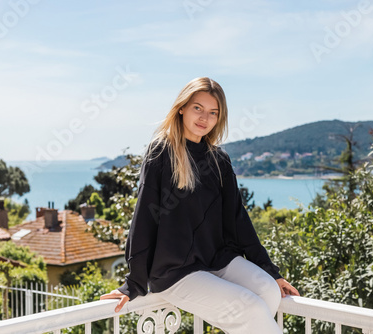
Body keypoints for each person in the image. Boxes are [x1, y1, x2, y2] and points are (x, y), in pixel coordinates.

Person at [101, 77, 299, 333]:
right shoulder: (161, 153)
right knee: (249, 308)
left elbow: (238, 220)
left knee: (268, 291)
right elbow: (145, 219)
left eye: (213, 112)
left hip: (217, 259)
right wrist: (134, 282)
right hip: (175, 270)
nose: (204, 117)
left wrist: (270, 270)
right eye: (198, 108)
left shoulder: (219, 160)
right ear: (182, 107)